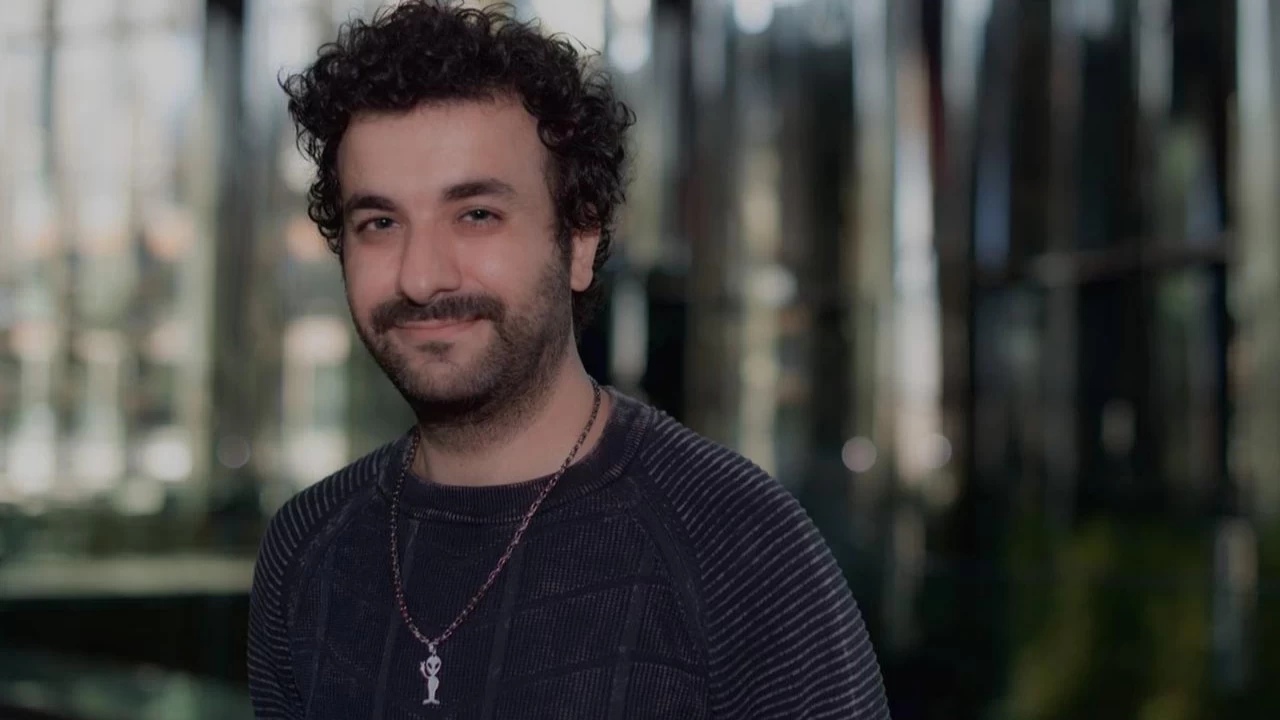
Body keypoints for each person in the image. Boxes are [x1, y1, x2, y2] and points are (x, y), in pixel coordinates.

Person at [247, 1, 891, 718]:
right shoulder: (307, 548)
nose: (422, 276)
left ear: (580, 241)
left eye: (477, 215)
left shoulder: (738, 544)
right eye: (380, 222)